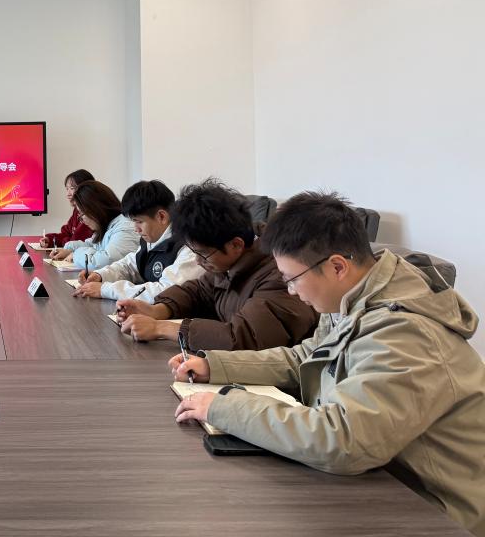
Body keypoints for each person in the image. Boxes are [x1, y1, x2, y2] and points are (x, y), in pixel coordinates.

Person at [171, 192, 485, 536]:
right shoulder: (350, 299)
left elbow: (346, 440)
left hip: (434, 509)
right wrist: (216, 366)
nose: (291, 291)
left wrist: (225, 407)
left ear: (337, 266)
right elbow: (304, 357)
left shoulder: (406, 334)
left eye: (292, 279)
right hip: (379, 480)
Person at [116, 178, 317, 350]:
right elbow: (199, 291)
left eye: (203, 254)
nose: (198, 261)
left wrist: (161, 328)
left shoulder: (281, 275)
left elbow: (244, 337)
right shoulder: (230, 263)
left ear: (236, 244)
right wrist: (156, 310)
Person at [72, 179, 204, 300]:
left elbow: (167, 291)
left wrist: (106, 290)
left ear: (162, 217)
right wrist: (101, 275)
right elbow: (130, 265)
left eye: (139, 222)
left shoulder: (190, 247)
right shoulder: (152, 240)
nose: (136, 229)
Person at [47, 180, 138, 271]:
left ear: (95, 209)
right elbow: (92, 244)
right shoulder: (108, 225)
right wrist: (69, 249)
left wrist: (75, 255)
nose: (82, 220)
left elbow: (106, 261)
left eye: (82, 214)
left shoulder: (125, 227)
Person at [40, 169, 95, 248]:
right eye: (67, 189)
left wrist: (60, 241)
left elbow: (73, 243)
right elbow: (66, 233)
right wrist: (50, 240)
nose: (68, 194)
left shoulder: (89, 213)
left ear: (85, 189)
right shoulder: (77, 210)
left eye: (72, 188)